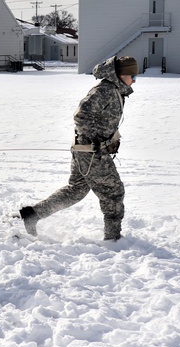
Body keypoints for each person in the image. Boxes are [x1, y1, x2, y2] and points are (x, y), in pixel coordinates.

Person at [19, 55, 136, 241]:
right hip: (91, 152)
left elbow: (101, 120)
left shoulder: (115, 90)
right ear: (120, 75)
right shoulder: (105, 90)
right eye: (132, 76)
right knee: (113, 192)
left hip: (89, 150)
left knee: (76, 190)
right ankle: (113, 239)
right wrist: (95, 141)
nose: (134, 80)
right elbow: (81, 116)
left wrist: (111, 139)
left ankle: (33, 214)